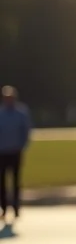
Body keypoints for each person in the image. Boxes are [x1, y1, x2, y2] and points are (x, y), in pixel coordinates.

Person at [0, 85, 32, 223]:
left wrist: (22, 146)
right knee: (2, 182)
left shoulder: (21, 113)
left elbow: (26, 131)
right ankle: (4, 208)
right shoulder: (1, 113)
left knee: (15, 181)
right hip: (2, 152)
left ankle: (16, 207)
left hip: (15, 151)